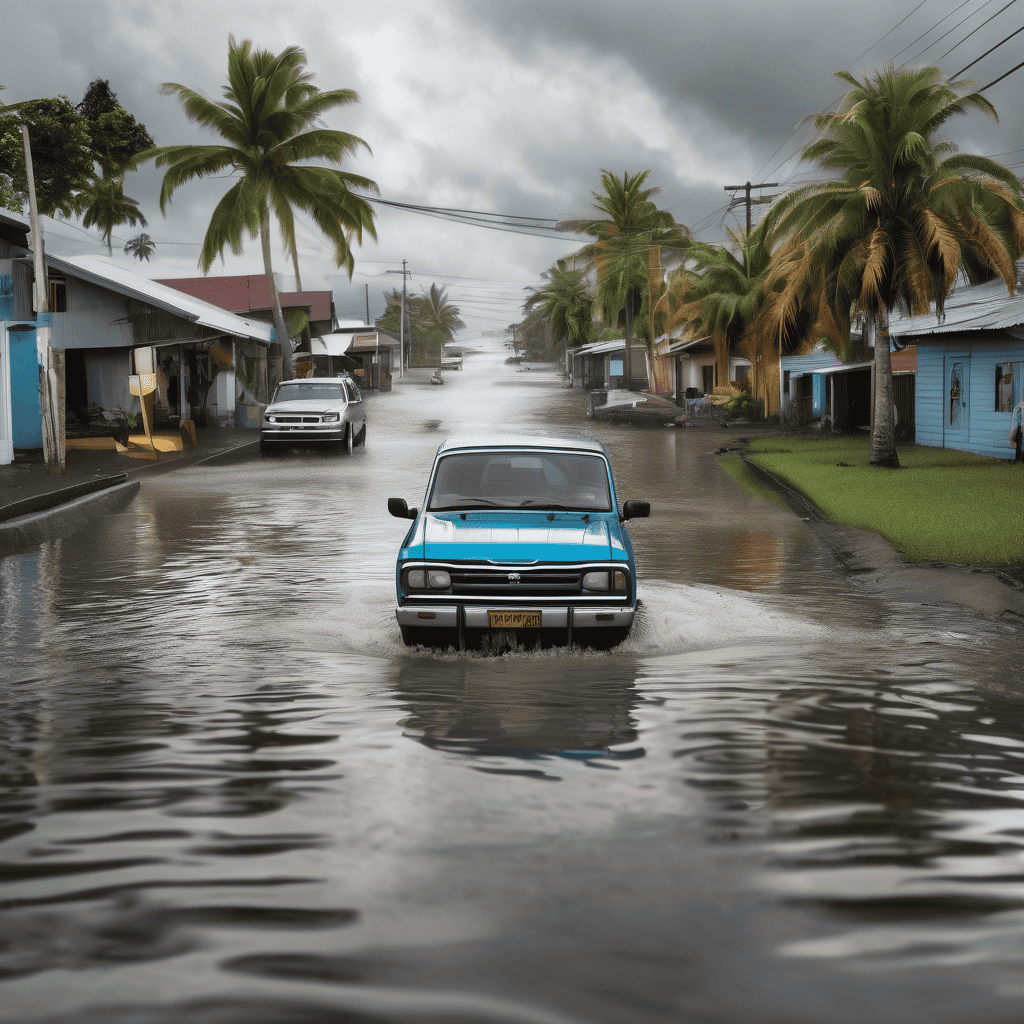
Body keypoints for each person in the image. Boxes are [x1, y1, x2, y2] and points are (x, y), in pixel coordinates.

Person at [1010, 396, 1024, 463]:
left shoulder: (1018, 408)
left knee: (1020, 443)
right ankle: (1019, 458)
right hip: (1019, 428)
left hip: (1019, 427)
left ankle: (1020, 458)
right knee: (1019, 443)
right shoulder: (1018, 408)